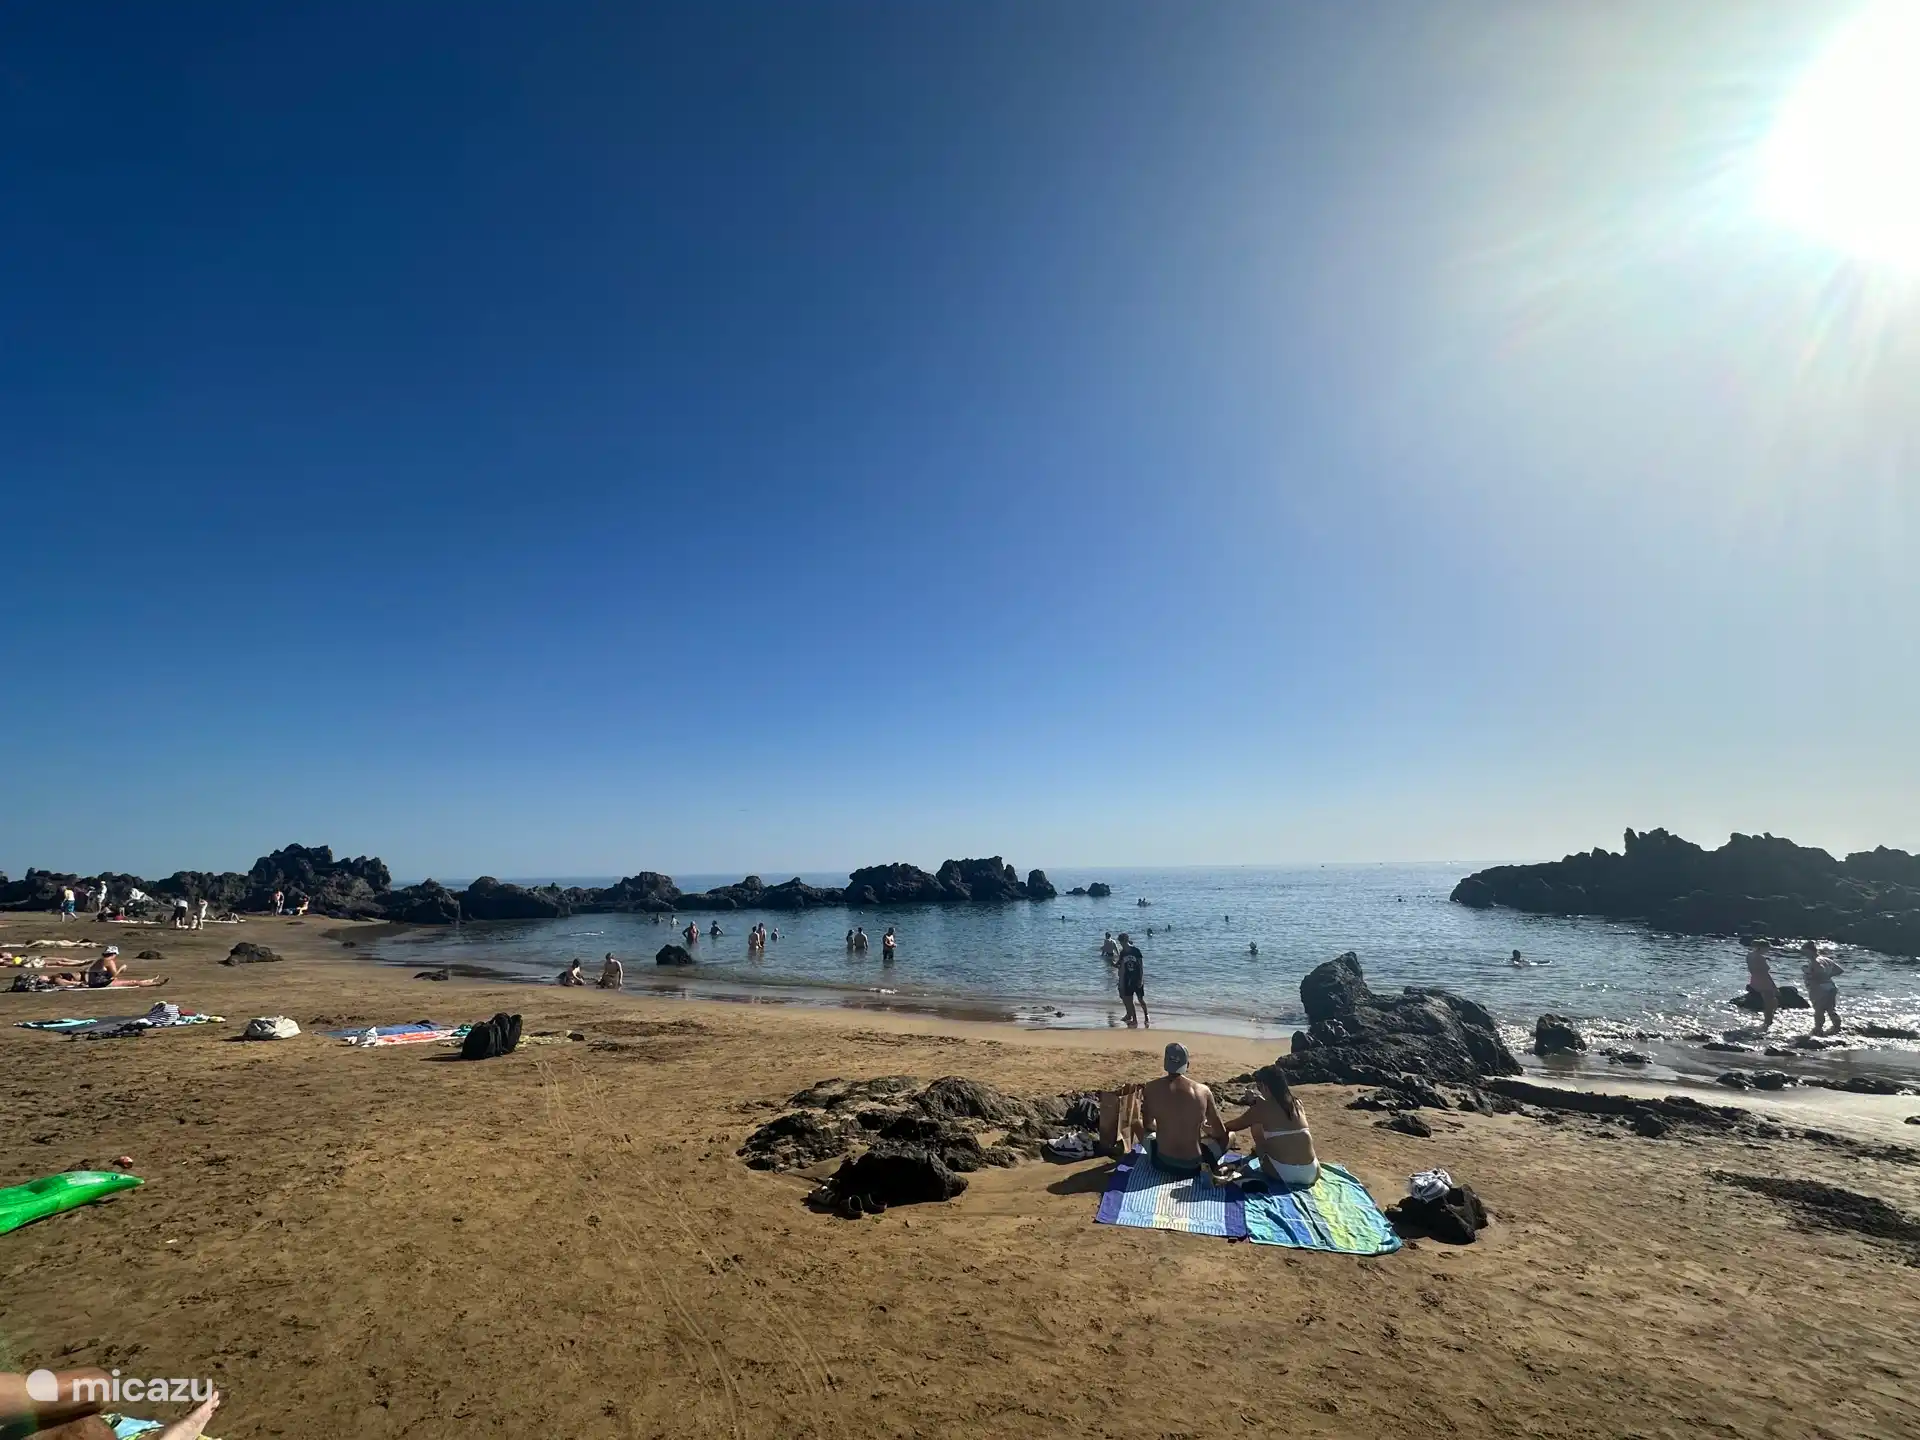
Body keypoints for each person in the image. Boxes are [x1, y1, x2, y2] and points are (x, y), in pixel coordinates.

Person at [1220, 1063, 1320, 1189]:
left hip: (1283, 1174)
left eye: (1259, 1087)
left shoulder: (1261, 1109)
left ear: (1265, 1087)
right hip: (1312, 1173)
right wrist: (1256, 1101)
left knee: (1256, 1125)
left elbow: (1233, 1126)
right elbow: (1276, 1112)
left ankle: (1259, 1153)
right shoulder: (1297, 1104)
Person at [1138, 1043, 1228, 1175]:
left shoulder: (1150, 1088)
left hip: (1162, 1162)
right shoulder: (1203, 1091)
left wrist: (1167, 1126)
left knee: (1136, 1123)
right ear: (1188, 1065)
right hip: (1193, 1165)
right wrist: (1206, 1129)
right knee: (1230, 1136)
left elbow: (1148, 1125)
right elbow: (1220, 1132)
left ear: (1165, 1063)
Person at [1802, 941, 1845, 1035]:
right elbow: (1840, 970)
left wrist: (1814, 976)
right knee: (1830, 1009)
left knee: (1819, 1010)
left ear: (1810, 951)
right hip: (1830, 987)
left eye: (1805, 952)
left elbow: (1819, 971)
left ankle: (1818, 1029)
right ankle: (1837, 1027)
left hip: (1819, 989)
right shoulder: (1826, 959)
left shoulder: (1814, 961)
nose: (1804, 954)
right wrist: (1828, 976)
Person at [1745, 940, 1780, 1029]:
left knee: (1772, 1001)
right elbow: (1765, 973)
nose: (1768, 950)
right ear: (1762, 948)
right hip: (1763, 981)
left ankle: (1768, 1021)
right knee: (1769, 1004)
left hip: (1754, 979)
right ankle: (1768, 1023)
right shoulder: (1760, 958)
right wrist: (1774, 986)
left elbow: (1751, 970)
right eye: (1767, 948)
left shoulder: (1749, 956)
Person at [1117, 940, 1147, 1027]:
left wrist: (1141, 979)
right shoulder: (1123, 953)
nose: (1121, 944)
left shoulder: (1136, 951)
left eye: (1122, 942)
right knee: (1129, 1000)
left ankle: (1146, 1016)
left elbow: (1141, 966)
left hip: (1137, 978)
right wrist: (1121, 981)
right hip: (1127, 979)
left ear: (1126, 941)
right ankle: (1134, 1019)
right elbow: (1121, 966)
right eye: (1120, 943)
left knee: (1140, 999)